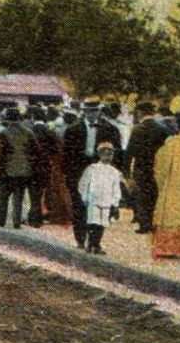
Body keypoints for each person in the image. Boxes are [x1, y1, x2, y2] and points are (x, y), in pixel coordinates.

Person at [62, 102, 121, 249]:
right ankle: (81, 239)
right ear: (84, 112)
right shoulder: (73, 129)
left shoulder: (110, 129)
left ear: (99, 112)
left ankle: (95, 242)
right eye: (88, 111)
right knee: (79, 207)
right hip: (78, 172)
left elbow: (118, 153)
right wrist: (69, 177)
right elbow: (66, 156)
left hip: (101, 172)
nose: (91, 114)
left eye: (94, 111)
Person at [151, 112, 180, 259]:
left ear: (177, 125)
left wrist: (161, 184)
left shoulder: (171, 143)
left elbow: (161, 167)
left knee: (170, 217)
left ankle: (169, 249)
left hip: (173, 185)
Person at [125, 103, 171, 234]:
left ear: (141, 112)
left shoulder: (137, 129)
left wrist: (127, 171)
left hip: (141, 168)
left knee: (142, 197)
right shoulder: (162, 129)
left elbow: (130, 152)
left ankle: (145, 224)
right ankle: (154, 222)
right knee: (154, 195)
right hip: (157, 166)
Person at [76, 142, 124, 255]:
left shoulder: (115, 172)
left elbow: (116, 188)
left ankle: (96, 244)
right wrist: (84, 197)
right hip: (93, 200)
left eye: (110, 153)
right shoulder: (92, 169)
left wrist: (116, 204)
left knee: (102, 224)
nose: (107, 156)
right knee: (93, 222)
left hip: (107, 201)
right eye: (104, 153)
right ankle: (91, 243)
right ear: (99, 154)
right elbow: (83, 183)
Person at [0, 106, 35, 228]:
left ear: (7, 119)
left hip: (7, 169)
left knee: (3, 196)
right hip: (24, 170)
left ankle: (0, 221)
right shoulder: (28, 132)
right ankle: (16, 222)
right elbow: (35, 151)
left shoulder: (3, 133)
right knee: (19, 197)